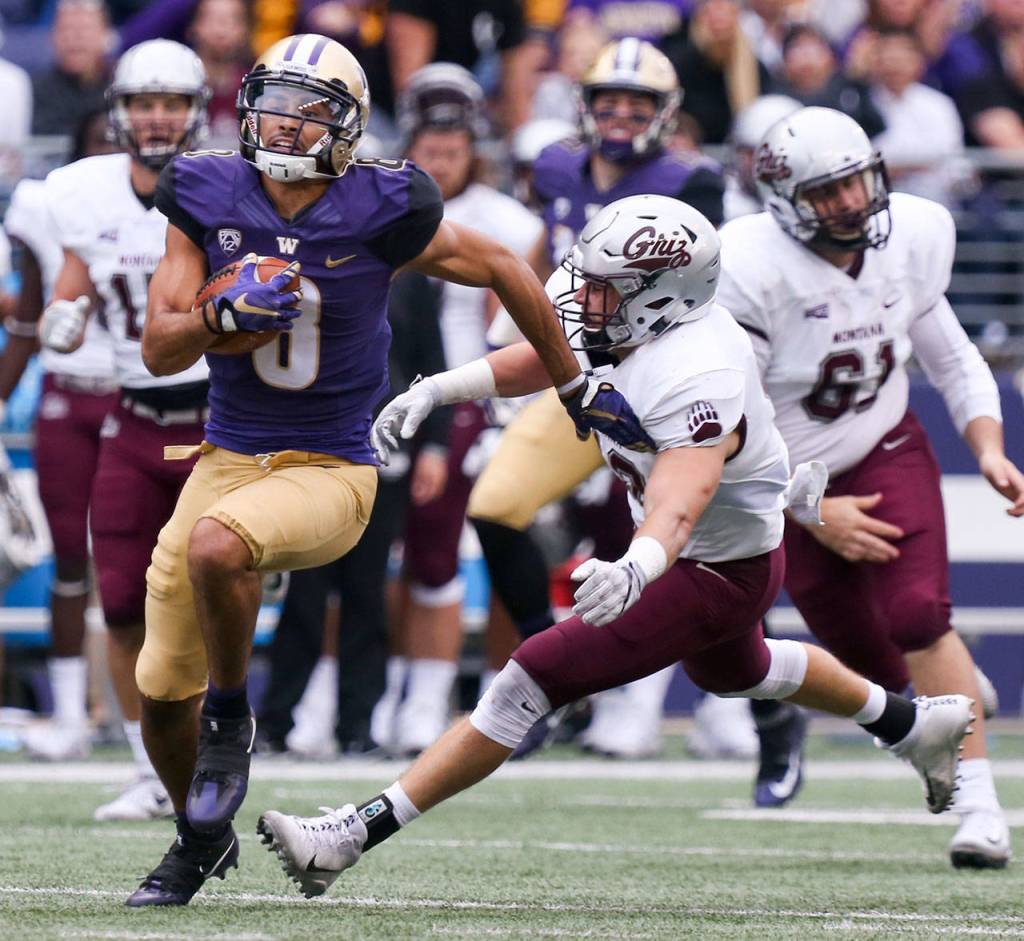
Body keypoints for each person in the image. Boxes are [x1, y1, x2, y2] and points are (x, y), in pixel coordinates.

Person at [256, 194, 975, 897]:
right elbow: (547, 353)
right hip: (709, 549)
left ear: (660, 298)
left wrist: (638, 564)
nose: (583, 298)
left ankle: (350, 835)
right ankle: (913, 724)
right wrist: (438, 390)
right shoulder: (629, 321)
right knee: (743, 666)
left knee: (526, 680)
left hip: (715, 566)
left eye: (604, 291)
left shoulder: (698, 369)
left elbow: (681, 500)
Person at [126, 32, 644, 908]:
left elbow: (506, 267)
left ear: (349, 128)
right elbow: (159, 343)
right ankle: (197, 838)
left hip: (334, 464)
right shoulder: (203, 187)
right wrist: (219, 311)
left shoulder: (383, 203)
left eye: (308, 112)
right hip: (227, 455)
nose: (285, 126)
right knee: (156, 689)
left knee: (218, 551)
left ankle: (232, 717)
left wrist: (573, 381)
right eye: (275, 104)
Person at [717, 105, 1022, 868]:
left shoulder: (911, 239)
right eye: (828, 193)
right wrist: (813, 509)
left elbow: (951, 357)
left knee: (919, 614)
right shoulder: (748, 269)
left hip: (881, 445)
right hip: (780, 478)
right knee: (865, 656)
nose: (852, 203)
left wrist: (988, 446)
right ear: (785, 202)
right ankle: (938, 706)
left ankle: (980, 806)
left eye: (856, 182)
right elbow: (732, 427)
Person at [467, 38, 726, 760]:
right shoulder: (554, 166)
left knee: (684, 551)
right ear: (582, 107)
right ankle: (554, 675)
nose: (618, 115)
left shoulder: (691, 180)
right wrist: (514, 338)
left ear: (665, 112)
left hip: (655, 385)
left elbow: (709, 293)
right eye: (606, 100)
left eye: (635, 103)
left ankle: (748, 707)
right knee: (495, 508)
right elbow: (554, 258)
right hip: (575, 374)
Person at [30, 40, 212, 823]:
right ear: (119, 111)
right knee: (120, 594)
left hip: (213, 419)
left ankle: (215, 750)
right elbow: (70, 289)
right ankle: (149, 768)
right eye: (145, 102)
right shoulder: (79, 192)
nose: (158, 117)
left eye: (172, 102)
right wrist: (62, 318)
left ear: (196, 109)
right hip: (131, 417)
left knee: (207, 591)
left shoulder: (224, 185)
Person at [371, 62, 545, 755]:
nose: (440, 161)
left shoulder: (509, 221)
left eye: (452, 148)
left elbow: (513, 322)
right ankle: (385, 684)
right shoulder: (377, 200)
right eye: (428, 149)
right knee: (364, 551)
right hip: (382, 384)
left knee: (437, 550)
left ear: (475, 145)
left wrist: (512, 407)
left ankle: (427, 693)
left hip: (467, 390)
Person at [0, 109, 119, 765]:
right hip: (68, 393)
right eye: (96, 141)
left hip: (140, 396)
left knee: (154, 567)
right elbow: (26, 318)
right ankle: (71, 714)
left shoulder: (164, 203)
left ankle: (154, 720)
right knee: (70, 558)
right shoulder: (45, 206)